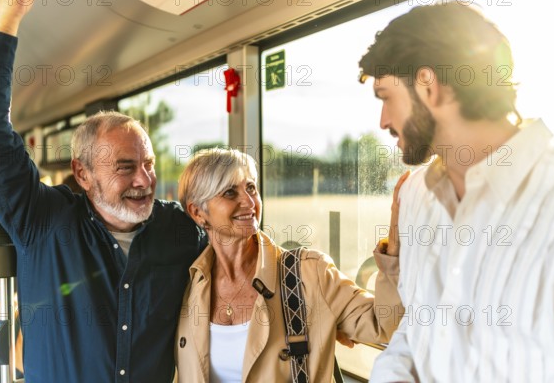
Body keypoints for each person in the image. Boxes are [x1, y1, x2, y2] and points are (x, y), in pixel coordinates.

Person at [0, 0, 205, 381]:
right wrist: (10, 14)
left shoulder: (181, 232)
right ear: (82, 173)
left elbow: (243, 260)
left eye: (148, 164)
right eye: (125, 167)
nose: (144, 180)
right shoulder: (43, 222)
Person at [358, 2, 554, 381]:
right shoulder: (414, 199)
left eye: (386, 97)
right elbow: (416, 330)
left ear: (428, 85)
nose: (383, 121)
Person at [174, 148, 406, 382]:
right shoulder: (187, 283)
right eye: (230, 192)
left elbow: (385, 323)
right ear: (197, 212)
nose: (248, 201)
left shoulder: (310, 273)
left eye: (251, 188)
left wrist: (395, 240)